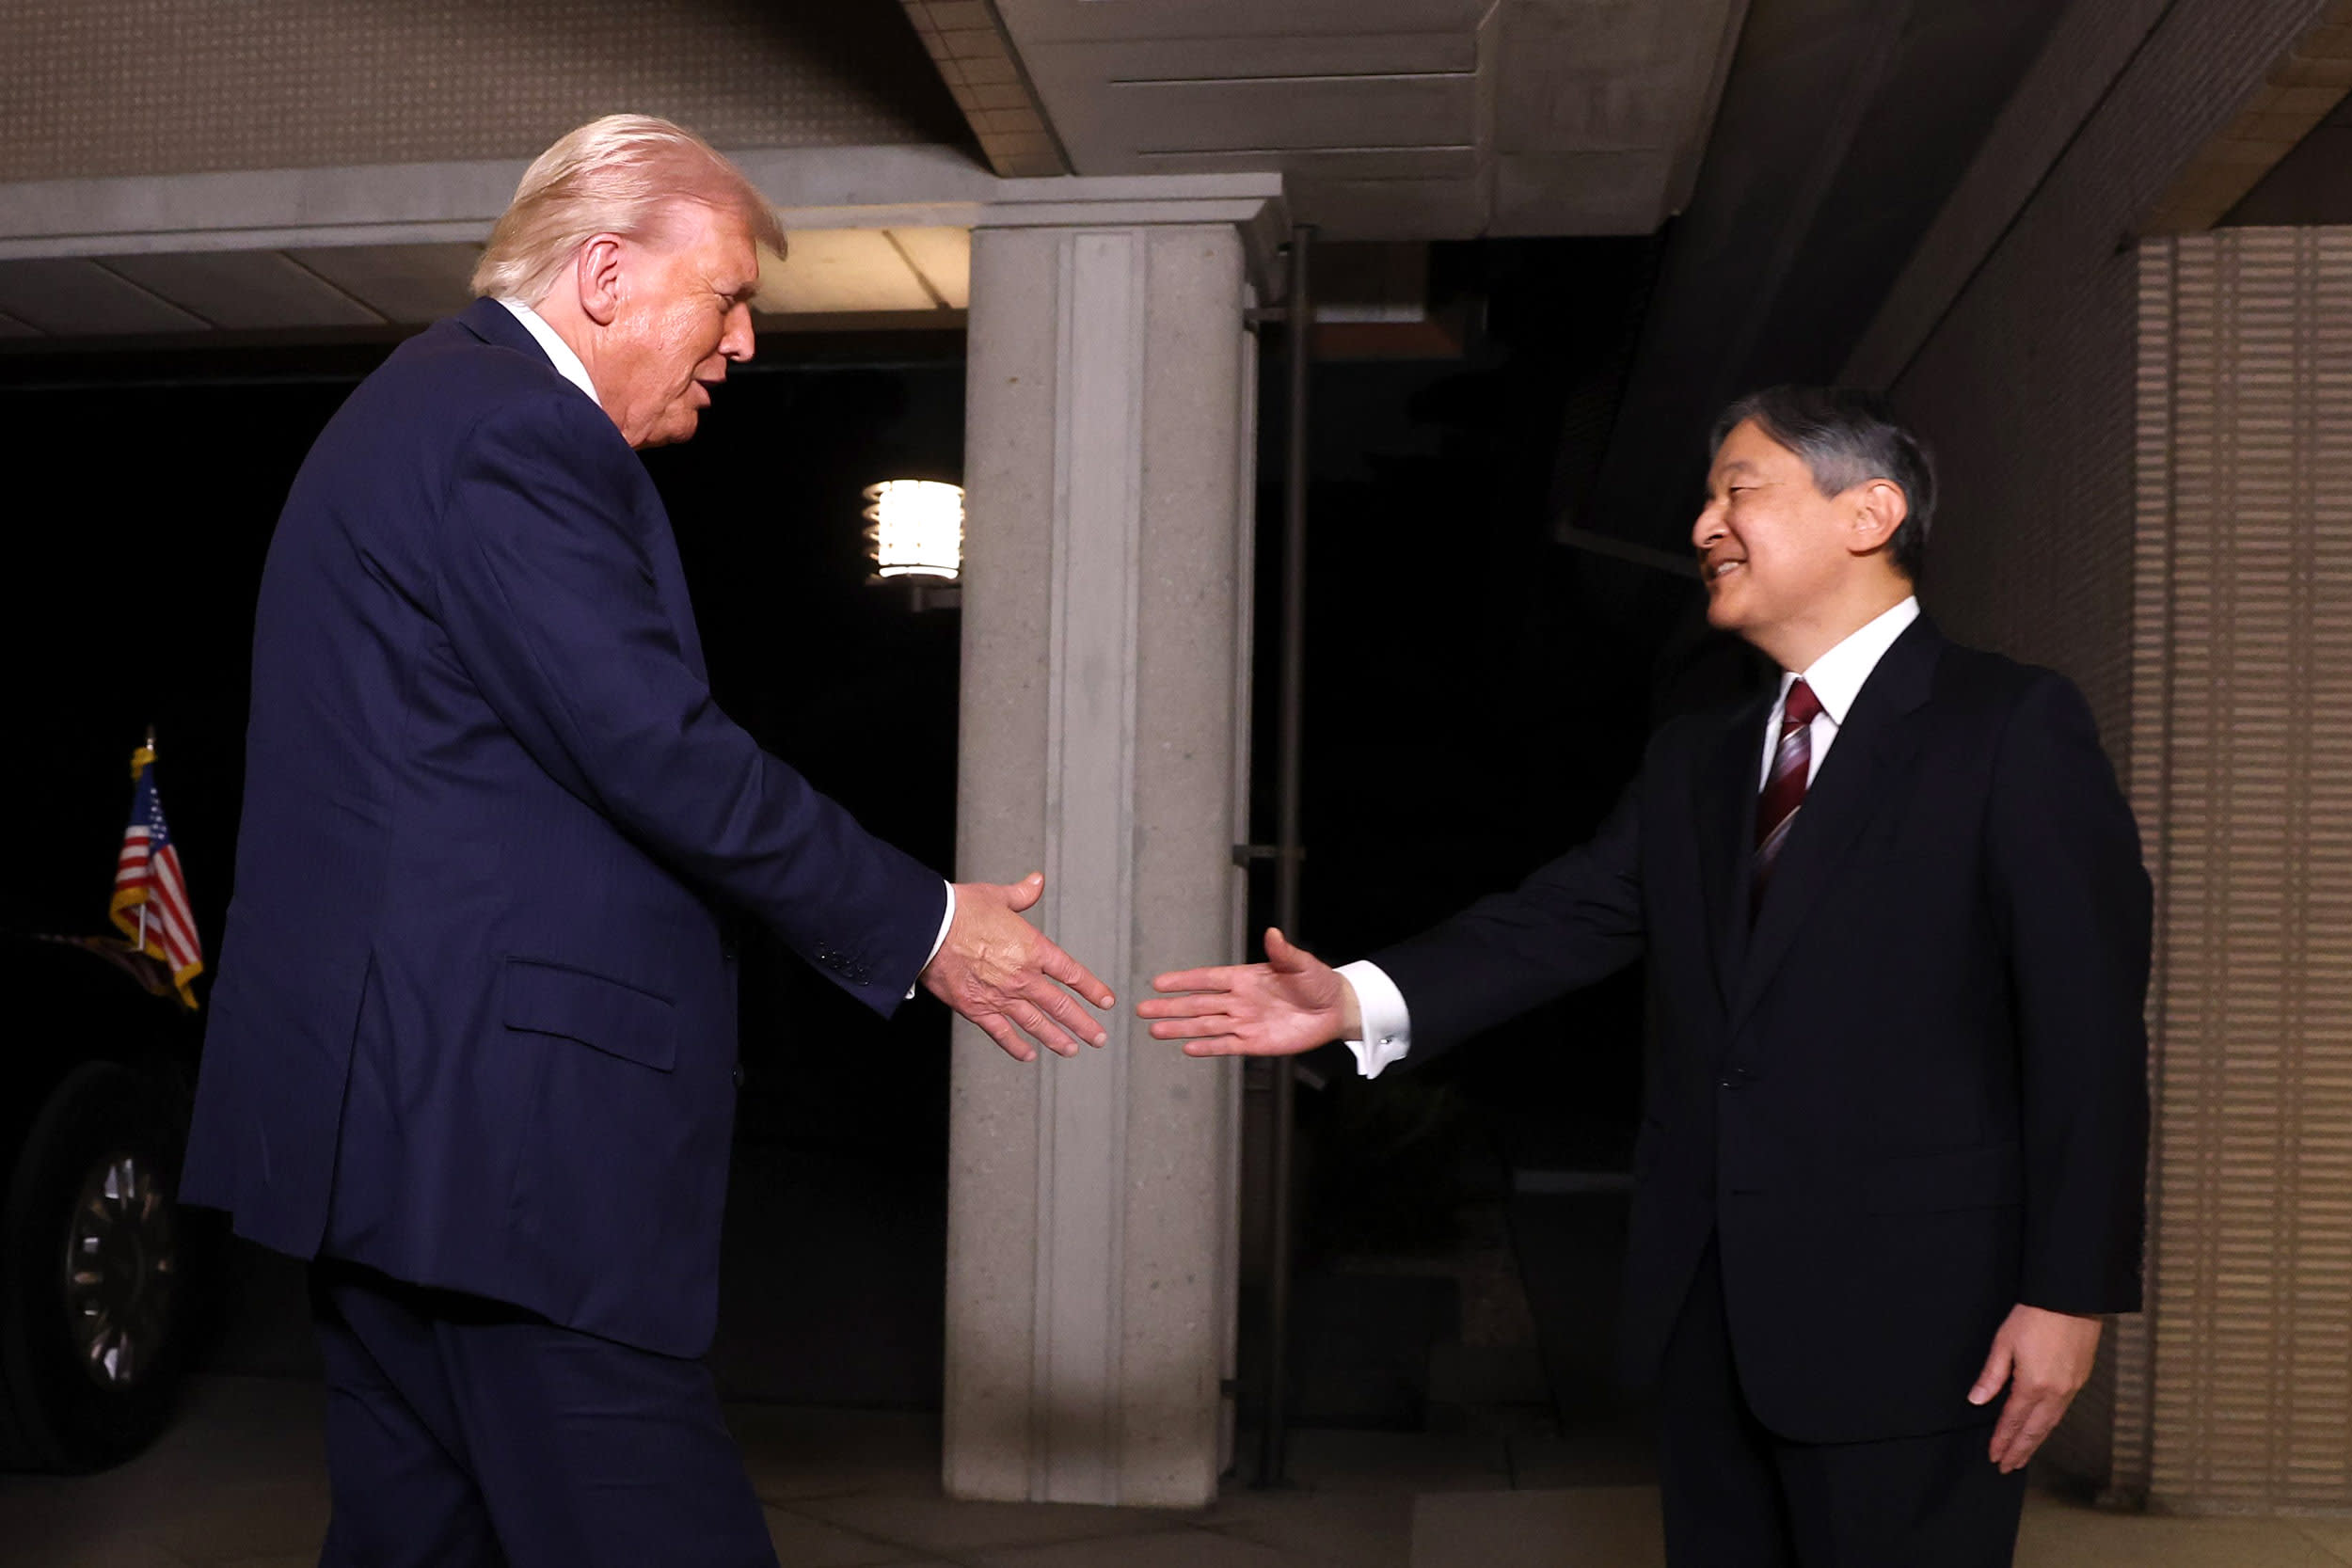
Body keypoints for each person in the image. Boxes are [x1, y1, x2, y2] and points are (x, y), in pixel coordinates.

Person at [181, 115, 1113, 1568]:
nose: (743, 340)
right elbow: (656, 751)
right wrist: (928, 924)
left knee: (419, 1539)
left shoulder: (422, 408)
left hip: (397, 1152)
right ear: (605, 275)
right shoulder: (509, 431)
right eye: (728, 293)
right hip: (506, 1160)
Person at [1141, 387, 2150, 1567]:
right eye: (1705, 496)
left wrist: (2066, 1294)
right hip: (1707, 1319)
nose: (1702, 525)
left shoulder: (2008, 722)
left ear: (1867, 513)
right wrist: (1356, 995)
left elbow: (2084, 1028)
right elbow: (1566, 915)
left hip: (1920, 1323)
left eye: (1739, 489)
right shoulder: (1701, 754)